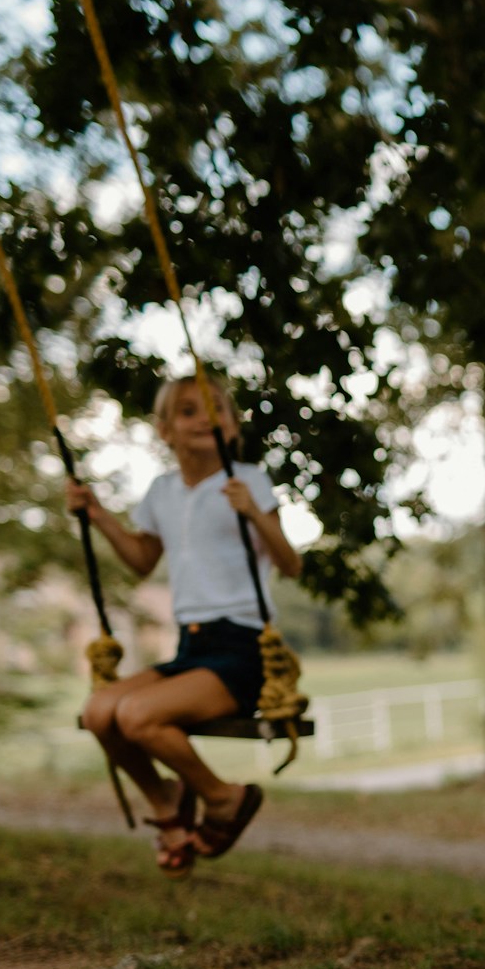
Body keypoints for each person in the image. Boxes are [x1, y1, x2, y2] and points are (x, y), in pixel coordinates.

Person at [66, 373, 300, 873]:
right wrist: (98, 515)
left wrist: (254, 512)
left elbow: (290, 563)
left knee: (137, 716)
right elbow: (141, 560)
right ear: (165, 429)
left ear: (232, 425)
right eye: (189, 410)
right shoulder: (162, 491)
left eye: (217, 409)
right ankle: (167, 802)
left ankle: (222, 798)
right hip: (192, 648)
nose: (205, 419)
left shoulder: (248, 480)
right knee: (99, 712)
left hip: (243, 647)